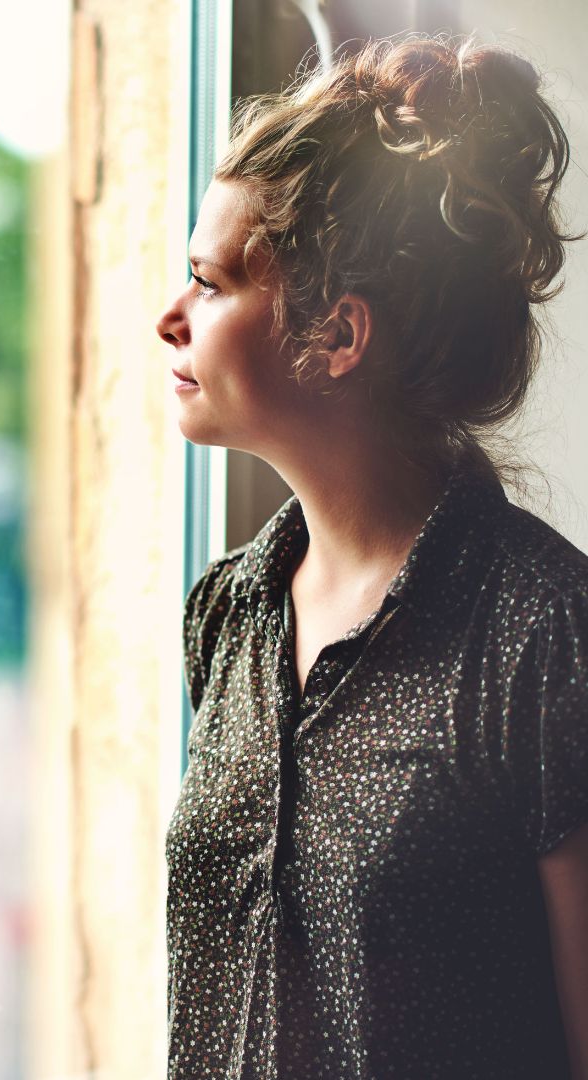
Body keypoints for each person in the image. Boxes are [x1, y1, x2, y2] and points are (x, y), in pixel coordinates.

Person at [156, 35, 588, 1080]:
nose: (170, 320)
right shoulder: (227, 614)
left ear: (338, 336)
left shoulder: (545, 636)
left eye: (209, 285)